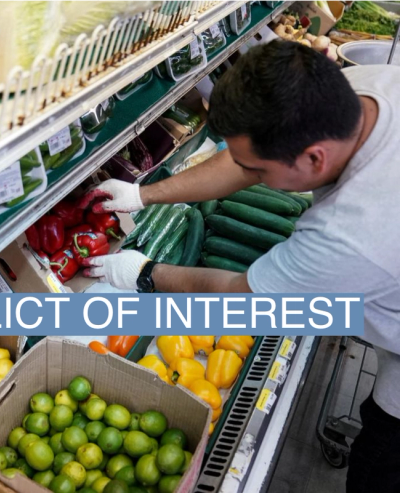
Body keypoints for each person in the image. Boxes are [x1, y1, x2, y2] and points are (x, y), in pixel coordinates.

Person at [80, 41, 400, 492]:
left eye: (260, 171)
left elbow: (241, 296)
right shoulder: (365, 89)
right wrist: (144, 194)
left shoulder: (352, 236)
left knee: (382, 462)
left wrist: (145, 273)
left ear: (313, 159)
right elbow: (243, 159)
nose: (253, 176)